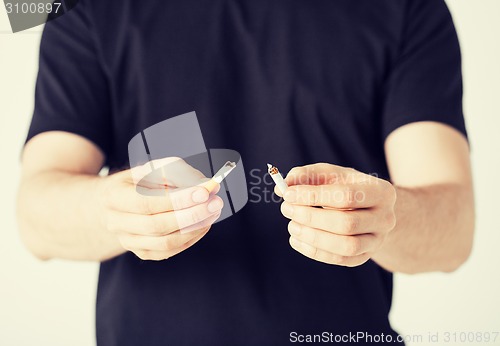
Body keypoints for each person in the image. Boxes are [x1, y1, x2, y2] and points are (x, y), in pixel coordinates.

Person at [17, 0, 475, 345]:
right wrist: (111, 210)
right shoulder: (86, 9)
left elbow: (453, 232)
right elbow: (35, 217)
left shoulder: (407, 7)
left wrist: (383, 218)